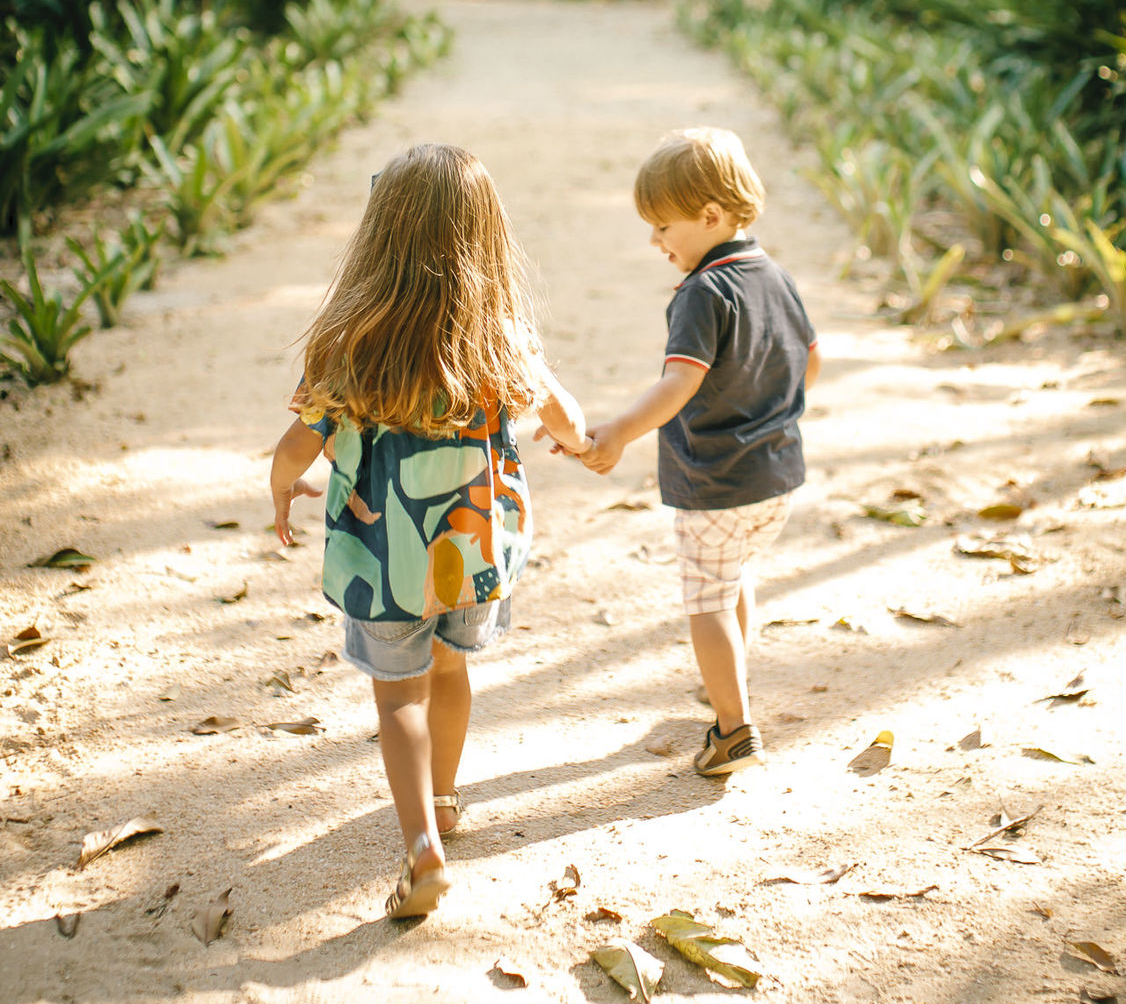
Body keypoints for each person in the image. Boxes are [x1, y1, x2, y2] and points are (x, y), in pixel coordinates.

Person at [269, 144, 589, 918]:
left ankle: (422, 849)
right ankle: (443, 799)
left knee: (397, 702)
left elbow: (297, 448)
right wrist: (579, 442)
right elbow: (570, 420)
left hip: (383, 562)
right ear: (485, 240)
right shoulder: (501, 337)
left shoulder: (347, 344)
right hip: (472, 556)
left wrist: (284, 489)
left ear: (377, 237)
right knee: (451, 672)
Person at [581, 128, 820, 778]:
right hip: (778, 476)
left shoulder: (701, 294)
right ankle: (728, 685)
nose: (656, 242)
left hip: (718, 482)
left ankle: (734, 728)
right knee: (733, 578)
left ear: (711, 216)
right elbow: (812, 359)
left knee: (707, 600)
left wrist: (619, 431)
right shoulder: (776, 277)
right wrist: (772, 412)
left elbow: (678, 382)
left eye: (663, 227)